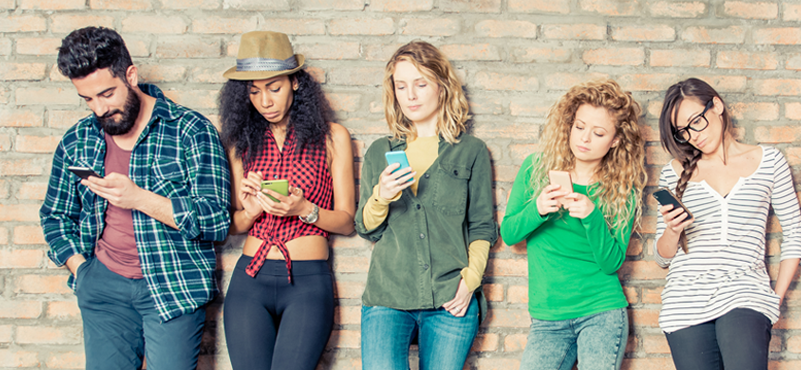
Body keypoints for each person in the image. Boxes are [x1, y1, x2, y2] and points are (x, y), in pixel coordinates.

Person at [39, 27, 230, 370]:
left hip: (174, 287)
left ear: (131, 75)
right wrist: (80, 271)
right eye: (87, 99)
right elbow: (54, 215)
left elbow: (216, 219)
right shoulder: (78, 140)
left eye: (107, 94)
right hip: (103, 287)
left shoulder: (190, 130)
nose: (99, 108)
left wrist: (139, 198)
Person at [355, 40, 497, 370]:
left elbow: (481, 226)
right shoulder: (381, 151)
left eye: (420, 84)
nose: (411, 95)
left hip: (450, 294)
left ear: (442, 87)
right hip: (387, 295)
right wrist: (382, 195)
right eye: (401, 86)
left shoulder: (471, 151)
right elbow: (367, 228)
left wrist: (470, 281)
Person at [217, 31, 355, 370]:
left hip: (307, 282)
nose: (265, 101)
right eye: (254, 91)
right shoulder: (240, 142)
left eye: (274, 88)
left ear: (295, 83)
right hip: (250, 279)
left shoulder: (332, 137)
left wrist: (304, 210)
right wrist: (249, 213)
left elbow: (347, 221)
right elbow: (233, 224)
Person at [653, 78, 801, 369]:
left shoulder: (769, 162)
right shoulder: (672, 173)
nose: (693, 136)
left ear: (717, 106)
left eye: (696, 121)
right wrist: (673, 230)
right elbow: (662, 258)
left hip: (745, 292)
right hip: (684, 302)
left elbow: (794, 235)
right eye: (682, 131)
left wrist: (776, 299)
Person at [501, 79, 645, 370]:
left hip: (601, 312)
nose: (585, 139)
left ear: (616, 140)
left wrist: (593, 216)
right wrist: (538, 209)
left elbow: (611, 263)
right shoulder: (535, 168)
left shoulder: (621, 188)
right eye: (579, 127)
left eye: (599, 132)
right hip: (547, 317)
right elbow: (509, 234)